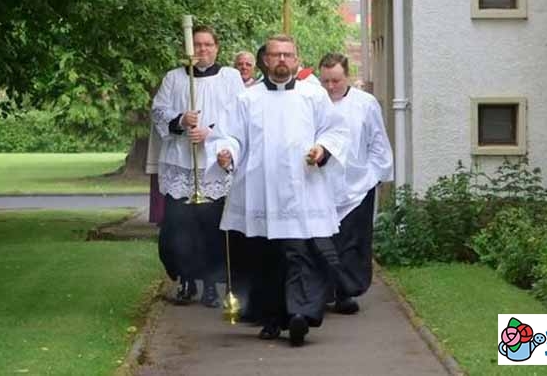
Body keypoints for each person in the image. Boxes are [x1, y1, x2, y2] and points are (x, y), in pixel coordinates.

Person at [207, 34, 352, 347]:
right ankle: (272, 317)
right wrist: (227, 152)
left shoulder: (313, 96)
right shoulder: (247, 98)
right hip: (260, 190)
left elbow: (335, 130)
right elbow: (231, 135)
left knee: (301, 252)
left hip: (303, 188)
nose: (282, 60)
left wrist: (322, 149)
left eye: (288, 54)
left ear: (297, 59)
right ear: (266, 60)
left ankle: (300, 315)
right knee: (267, 257)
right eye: (276, 55)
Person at [151, 25, 245, 307]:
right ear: (189, 50)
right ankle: (186, 280)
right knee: (180, 229)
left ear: (216, 48)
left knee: (212, 229)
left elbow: (241, 115)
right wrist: (180, 121)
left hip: (213, 164)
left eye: (208, 45)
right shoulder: (174, 78)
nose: (202, 50)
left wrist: (210, 133)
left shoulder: (230, 78)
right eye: (197, 45)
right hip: (181, 164)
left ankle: (211, 286)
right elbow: (159, 111)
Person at [318, 53, 393, 314]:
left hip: (358, 184)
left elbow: (377, 142)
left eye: (335, 81)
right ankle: (323, 290)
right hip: (321, 184)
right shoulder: (313, 102)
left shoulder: (365, 104)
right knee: (323, 241)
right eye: (325, 80)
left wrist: (373, 175)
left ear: (346, 76)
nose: (330, 87)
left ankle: (345, 292)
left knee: (351, 242)